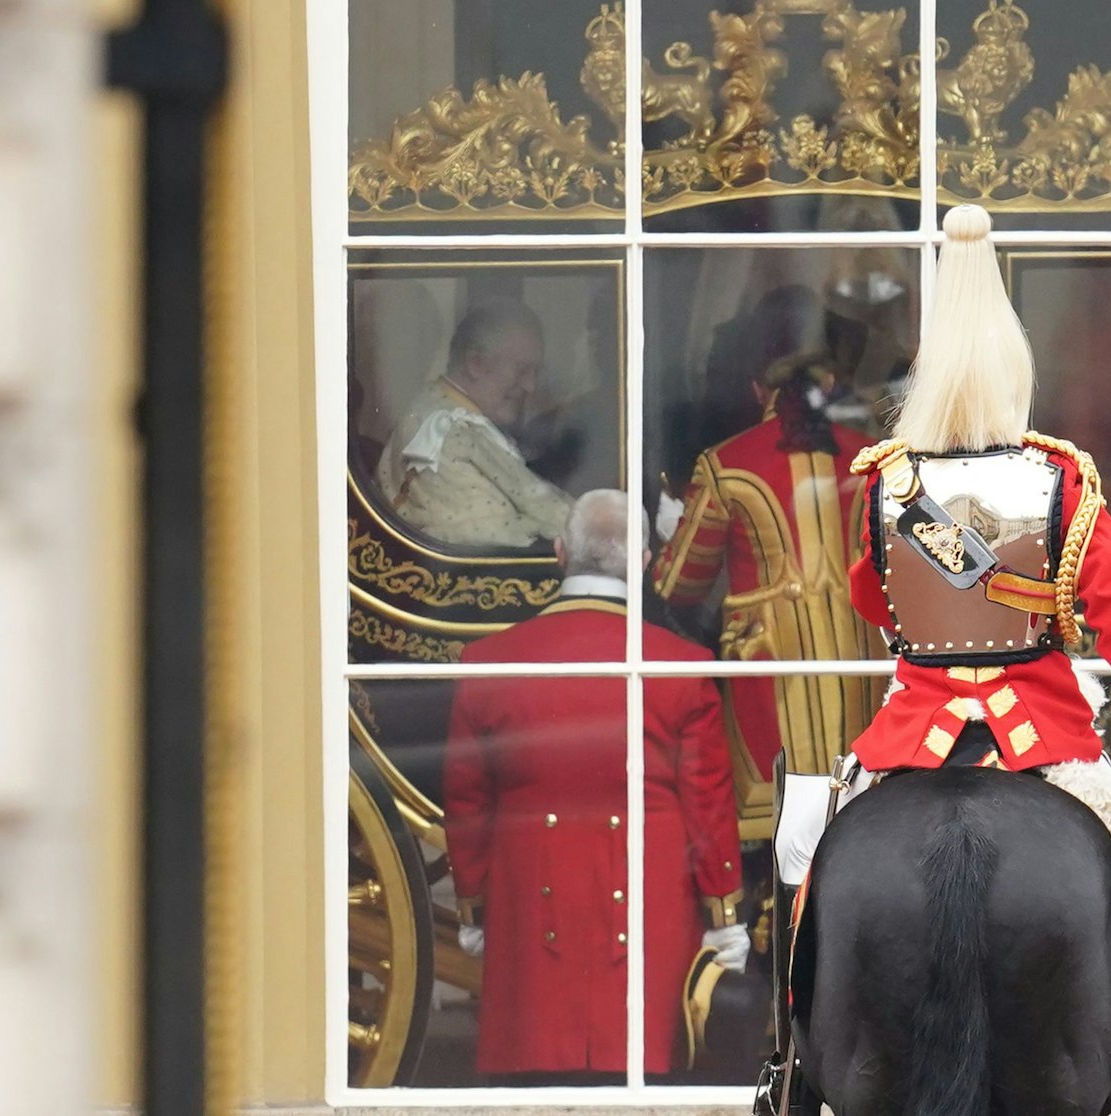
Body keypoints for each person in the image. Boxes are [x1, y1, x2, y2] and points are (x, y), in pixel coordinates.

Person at [762, 205, 1111, 1116]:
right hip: (1044, 740)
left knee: (800, 840)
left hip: (911, 740)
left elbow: (870, 602)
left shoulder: (888, 483)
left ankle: (789, 1068)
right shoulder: (1063, 480)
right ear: (1017, 375)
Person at [443, 490, 750, 1082]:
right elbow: (708, 804)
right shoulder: (682, 667)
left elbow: (467, 801)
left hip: (529, 891)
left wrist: (473, 904)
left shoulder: (487, 661)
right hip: (650, 892)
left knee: (534, 1082)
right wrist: (724, 912)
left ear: (560, 553)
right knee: (644, 1069)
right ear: (644, 562)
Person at [652, 347, 884, 795]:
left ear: (759, 390)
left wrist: (666, 531)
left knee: (778, 810)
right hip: (866, 659)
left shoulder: (725, 464)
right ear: (830, 385)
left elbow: (678, 584)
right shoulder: (873, 458)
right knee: (864, 799)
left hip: (768, 668)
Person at [376, 298, 572, 548]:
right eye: (522, 370)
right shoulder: (448, 432)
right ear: (476, 363)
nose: (530, 386)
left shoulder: (440, 408)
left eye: (535, 373)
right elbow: (491, 538)